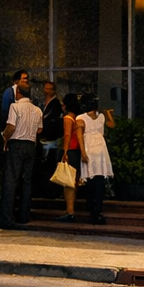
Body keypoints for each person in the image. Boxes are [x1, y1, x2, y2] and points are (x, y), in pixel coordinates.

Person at [0, 82, 43, 229]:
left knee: (11, 180)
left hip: (16, 144)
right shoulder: (38, 110)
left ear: (18, 94)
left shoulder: (14, 107)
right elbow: (40, 129)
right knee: (26, 181)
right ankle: (24, 216)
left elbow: (11, 126)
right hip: (31, 145)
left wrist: (4, 136)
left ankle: (6, 218)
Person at [78, 94, 115, 225]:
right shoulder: (101, 117)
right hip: (101, 149)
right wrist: (108, 113)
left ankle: (92, 209)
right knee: (100, 182)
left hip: (89, 148)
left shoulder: (80, 118)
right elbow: (112, 125)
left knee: (90, 180)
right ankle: (97, 211)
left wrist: (82, 152)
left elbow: (79, 136)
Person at [54, 93, 83, 222]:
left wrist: (64, 152)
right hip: (76, 151)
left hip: (69, 150)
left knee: (68, 183)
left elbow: (67, 135)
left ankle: (70, 211)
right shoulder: (77, 118)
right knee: (74, 182)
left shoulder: (67, 119)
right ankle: (70, 209)